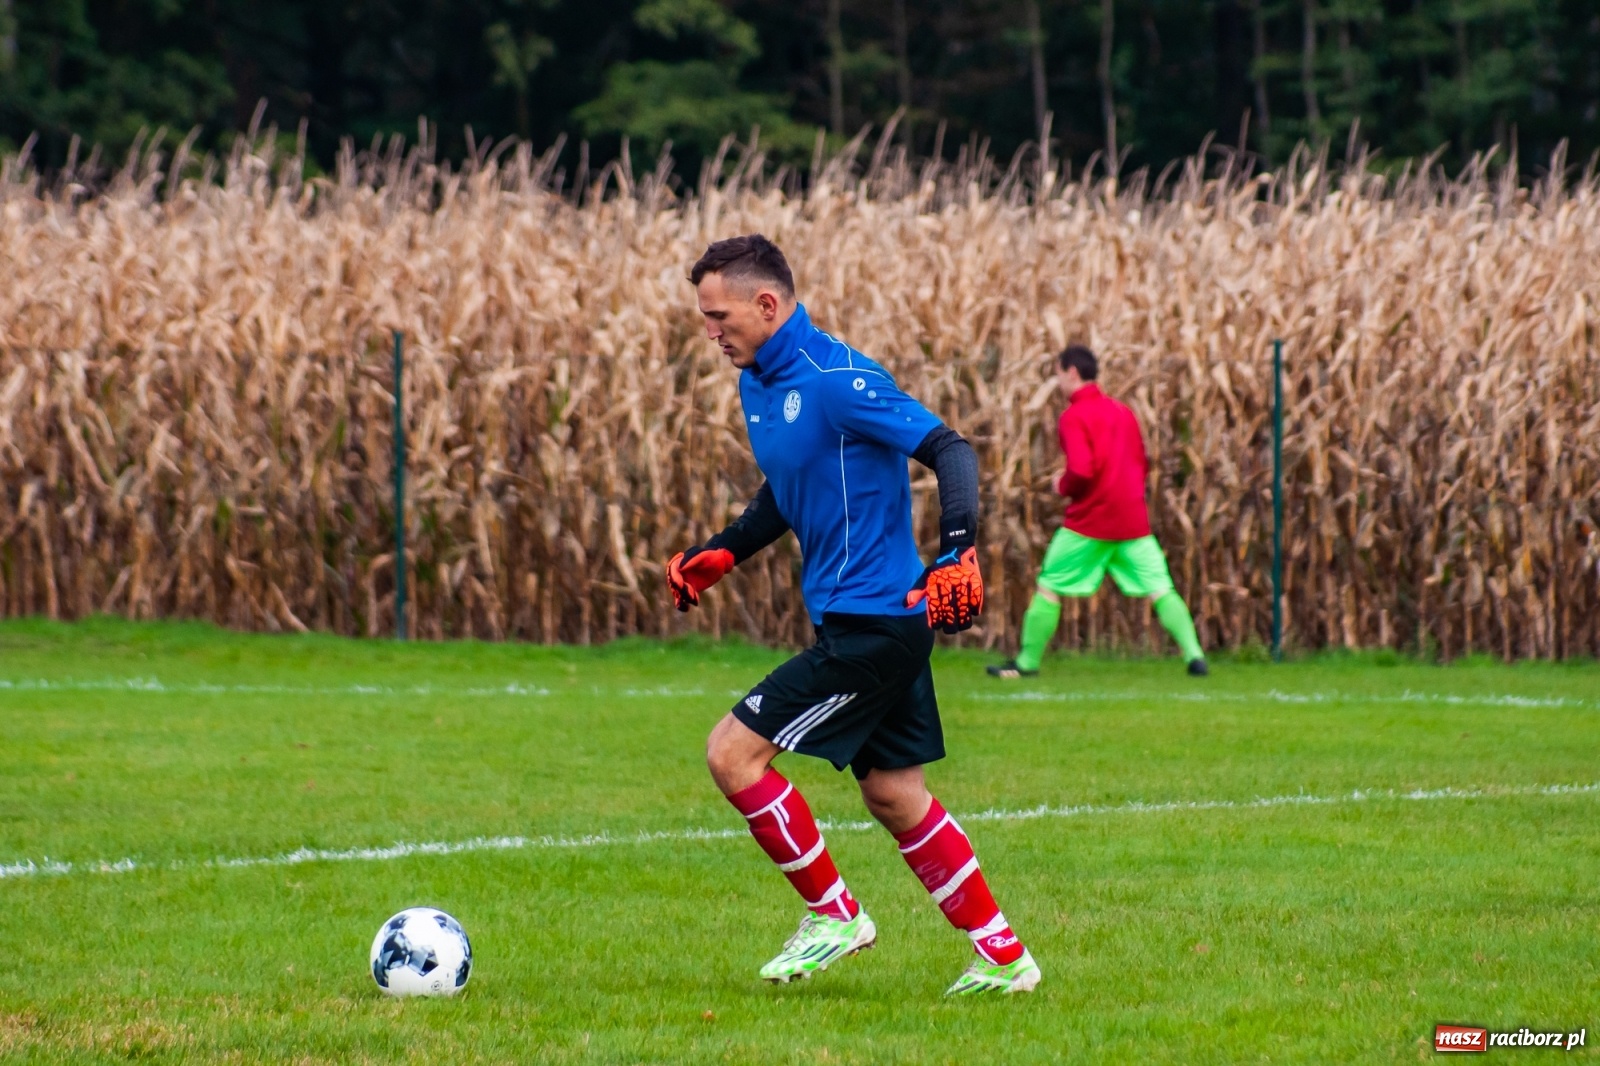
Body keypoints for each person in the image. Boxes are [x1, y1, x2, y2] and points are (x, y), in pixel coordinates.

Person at [667, 234, 1040, 996]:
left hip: (879, 622)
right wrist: (727, 550)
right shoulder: (757, 380)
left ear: (766, 304)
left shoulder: (838, 378)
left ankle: (834, 914)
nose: (710, 332)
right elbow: (787, 484)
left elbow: (950, 450)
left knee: (732, 754)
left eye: (718, 315)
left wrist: (959, 550)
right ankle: (1005, 957)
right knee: (895, 794)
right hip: (853, 620)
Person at [988, 344, 1207, 679]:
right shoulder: (1123, 412)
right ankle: (1195, 657)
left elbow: (1082, 470)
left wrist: (1061, 485)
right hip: (1133, 521)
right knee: (1161, 587)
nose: (1058, 382)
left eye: (1059, 374)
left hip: (1089, 523)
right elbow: (1141, 463)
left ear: (1071, 372)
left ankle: (1026, 663)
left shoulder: (1074, 417)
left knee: (1049, 584)